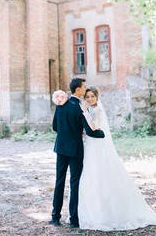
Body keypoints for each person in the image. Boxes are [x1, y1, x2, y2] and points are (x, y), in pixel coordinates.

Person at [78, 86, 156, 231]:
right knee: (90, 175)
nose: (90, 99)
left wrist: (84, 113)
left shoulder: (98, 110)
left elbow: (94, 128)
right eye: (87, 97)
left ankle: (106, 213)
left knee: (101, 173)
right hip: (90, 146)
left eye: (92, 96)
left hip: (98, 147)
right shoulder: (90, 110)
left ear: (97, 97)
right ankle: (91, 211)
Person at [49, 77, 105, 229]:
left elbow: (55, 127)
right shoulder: (79, 108)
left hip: (60, 149)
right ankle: (74, 219)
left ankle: (55, 217)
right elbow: (88, 131)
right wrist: (102, 134)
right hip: (75, 151)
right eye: (84, 87)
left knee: (59, 181)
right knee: (75, 184)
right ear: (78, 89)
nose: (86, 89)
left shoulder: (61, 104)